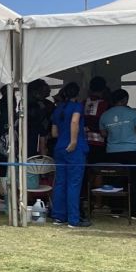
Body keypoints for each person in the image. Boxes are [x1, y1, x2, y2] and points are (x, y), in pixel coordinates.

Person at [100, 88, 136, 220]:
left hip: (112, 152)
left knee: (115, 181)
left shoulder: (105, 115)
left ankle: (116, 210)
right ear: (125, 100)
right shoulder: (133, 113)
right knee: (135, 181)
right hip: (132, 151)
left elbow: (103, 134)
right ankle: (135, 212)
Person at [50, 82, 90, 228]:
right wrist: (73, 141)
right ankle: (74, 219)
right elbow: (75, 121)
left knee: (60, 182)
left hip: (59, 147)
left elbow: (54, 132)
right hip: (75, 148)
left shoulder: (57, 109)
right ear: (77, 94)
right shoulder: (77, 106)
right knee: (74, 183)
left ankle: (58, 216)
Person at [82, 76, 111, 166]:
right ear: (103, 89)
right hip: (99, 142)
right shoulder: (106, 105)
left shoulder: (82, 103)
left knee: (85, 168)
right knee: (98, 169)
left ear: (90, 88)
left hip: (83, 140)